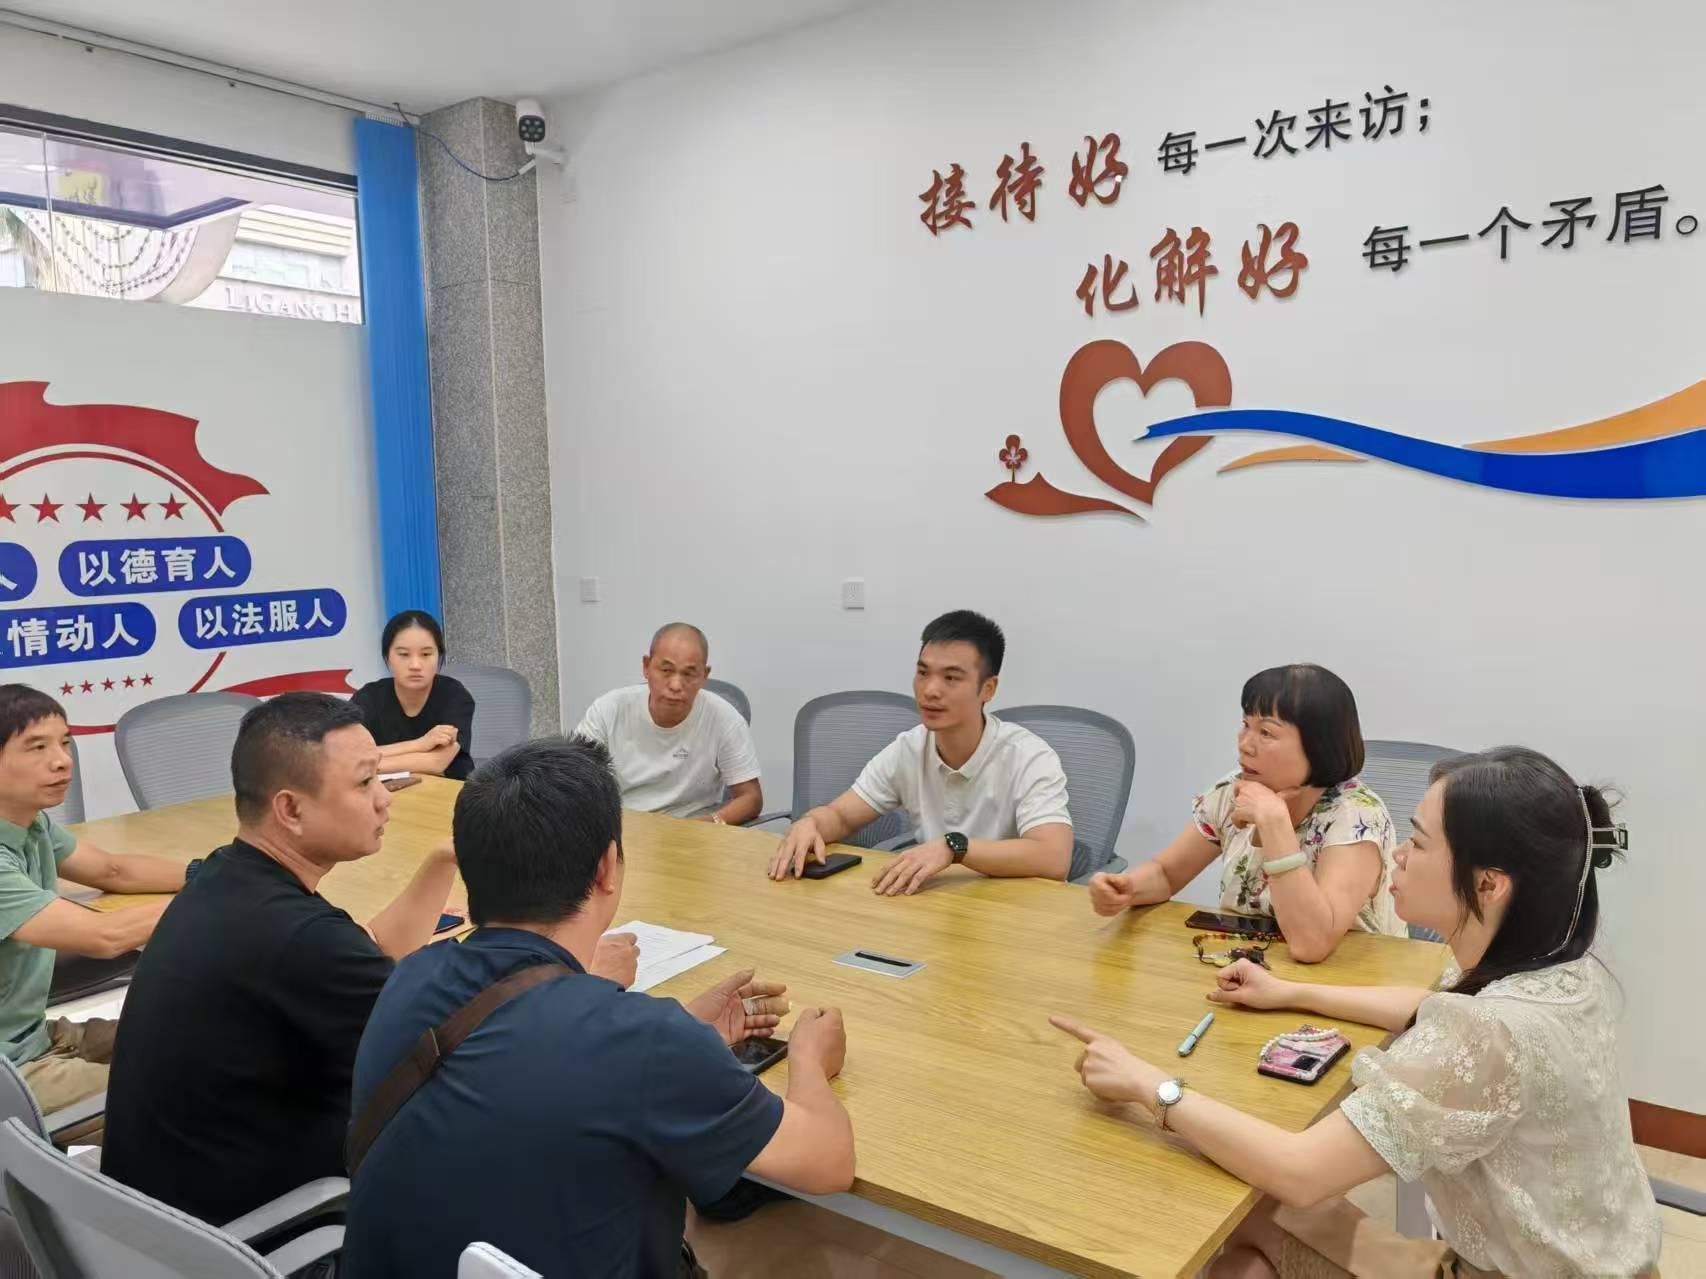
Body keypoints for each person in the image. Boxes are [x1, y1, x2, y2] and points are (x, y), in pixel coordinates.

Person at [1052, 746, 1662, 1278]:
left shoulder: (1490, 1030)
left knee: (1242, 1198)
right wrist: (1288, 991)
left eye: (1419, 842)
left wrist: (1148, 1083)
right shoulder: (1557, 966)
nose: (1399, 854)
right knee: (1247, 1247)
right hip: (1598, 1263)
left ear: (1488, 883)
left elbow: (1301, 1171)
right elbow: (1435, 1006)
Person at [340, 736, 854, 1278]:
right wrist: (808, 1058)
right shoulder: (643, 1042)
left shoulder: (410, 976)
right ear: (607, 866)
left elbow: (534, 1059)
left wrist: (683, 1031)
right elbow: (827, 1162)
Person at [101, 693, 464, 1225]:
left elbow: (374, 951)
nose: (384, 799)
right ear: (290, 809)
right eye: (365, 783)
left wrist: (444, 857)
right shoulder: (300, 938)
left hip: (158, 1225)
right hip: (254, 1237)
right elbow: (458, 1050)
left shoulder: (226, 877)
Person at [1088, 664, 1402, 961]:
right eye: (1245, 725)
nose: (1245, 744)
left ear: (1319, 746)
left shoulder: (1356, 816)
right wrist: (1128, 888)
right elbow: (1166, 874)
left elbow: (1312, 944)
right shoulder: (1233, 792)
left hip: (1352, 981)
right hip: (1252, 972)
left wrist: (1273, 822)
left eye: (1266, 733)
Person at [768, 610, 1074, 892]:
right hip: (934, 901)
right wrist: (810, 823)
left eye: (951, 678)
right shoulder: (909, 748)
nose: (930, 690)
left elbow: (1053, 857)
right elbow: (842, 816)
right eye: (923, 673)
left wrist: (954, 847)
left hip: (1011, 908)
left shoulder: (1028, 756)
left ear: (988, 689)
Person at [0, 684, 185, 1116]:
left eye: (65, 743)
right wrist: (229, 891)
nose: (62, 760)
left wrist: (213, 870)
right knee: (186, 1091)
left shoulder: (30, 824)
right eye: (37, 747)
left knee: (197, 1037)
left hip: (33, 1038)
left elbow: (112, 871)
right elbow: (104, 936)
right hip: (11, 1068)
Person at [573, 622, 763, 825]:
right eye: (666, 670)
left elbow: (751, 798)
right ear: (646, 666)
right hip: (624, 825)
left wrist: (711, 822)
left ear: (704, 675)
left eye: (689, 674)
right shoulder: (608, 710)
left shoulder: (724, 718)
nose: (675, 685)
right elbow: (574, 782)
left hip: (692, 829)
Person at [350, 610, 475, 780]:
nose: (415, 665)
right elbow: (349, 756)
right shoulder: (369, 697)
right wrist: (421, 744)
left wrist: (368, 764)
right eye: (404, 654)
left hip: (449, 789)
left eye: (426, 654)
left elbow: (436, 762)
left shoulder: (454, 695)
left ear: (439, 657)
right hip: (385, 792)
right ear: (387, 657)